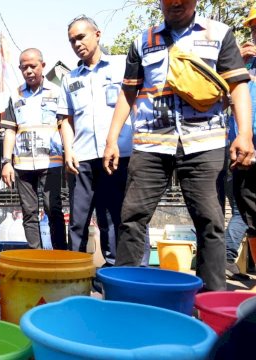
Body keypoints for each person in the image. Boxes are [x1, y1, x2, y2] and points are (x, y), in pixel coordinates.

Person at [103, 0, 253, 291]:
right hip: (151, 144)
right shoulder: (143, 42)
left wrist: (243, 133)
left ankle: (212, 300)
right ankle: (124, 296)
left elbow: (238, 85)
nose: (175, 3)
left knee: (210, 222)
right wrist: (112, 138)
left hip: (204, 143)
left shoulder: (218, 34)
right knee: (132, 219)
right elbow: (128, 90)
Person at [57, 16, 132, 266]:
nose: (77, 43)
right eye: (72, 40)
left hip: (117, 155)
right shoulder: (70, 79)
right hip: (83, 158)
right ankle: (74, 270)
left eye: (81, 37)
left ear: (97, 34)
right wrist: (69, 151)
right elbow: (65, 119)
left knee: (110, 218)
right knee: (77, 221)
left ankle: (112, 272)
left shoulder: (122, 66)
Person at [0, 48, 67, 250]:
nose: (28, 71)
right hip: (23, 164)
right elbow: (10, 131)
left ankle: (60, 254)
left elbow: (65, 125)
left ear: (43, 66)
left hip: (51, 161)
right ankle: (35, 254)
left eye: (33, 66)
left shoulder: (57, 93)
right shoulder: (16, 95)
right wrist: (6, 162)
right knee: (28, 211)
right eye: (24, 67)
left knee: (52, 208)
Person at [232, 5, 256, 273]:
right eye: (254, 27)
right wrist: (236, 60)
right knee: (250, 213)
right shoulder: (244, 63)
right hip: (245, 145)